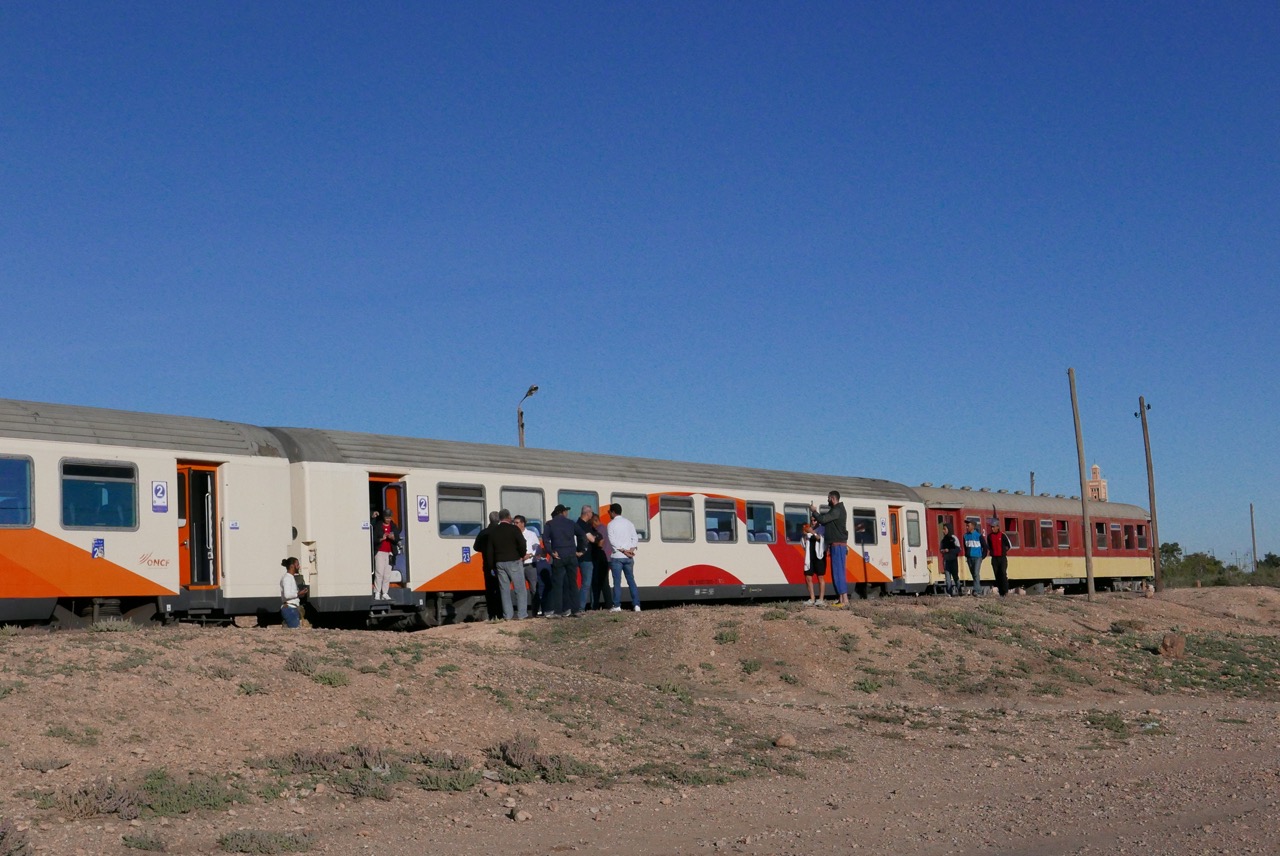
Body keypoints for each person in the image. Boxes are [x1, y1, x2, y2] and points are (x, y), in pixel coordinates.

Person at [810, 491, 849, 607]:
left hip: (838, 544)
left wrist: (814, 511)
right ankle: (840, 598)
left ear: (832, 498)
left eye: (828, 498)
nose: (827, 500)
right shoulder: (837, 510)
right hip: (835, 544)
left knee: (838, 572)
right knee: (836, 572)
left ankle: (845, 600)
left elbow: (823, 519)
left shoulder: (837, 510)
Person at [543, 504, 581, 617]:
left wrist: (551, 552)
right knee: (573, 584)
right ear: (562, 512)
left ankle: (558, 611)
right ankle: (576, 610)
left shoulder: (550, 524)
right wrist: (581, 550)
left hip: (558, 556)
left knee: (557, 585)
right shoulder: (571, 523)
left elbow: (545, 540)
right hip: (571, 556)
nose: (567, 513)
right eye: (566, 511)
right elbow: (582, 535)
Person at [491, 509, 530, 620]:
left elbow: (490, 549)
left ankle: (508, 616)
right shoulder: (514, 529)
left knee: (504, 590)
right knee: (520, 589)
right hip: (513, 561)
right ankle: (522, 614)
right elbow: (522, 543)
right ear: (508, 517)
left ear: (500, 518)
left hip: (499, 563)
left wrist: (493, 564)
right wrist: (521, 554)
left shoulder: (494, 531)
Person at [605, 502, 640, 612]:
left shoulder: (610, 525)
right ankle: (636, 605)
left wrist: (623, 551)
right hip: (629, 557)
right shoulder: (629, 523)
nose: (609, 514)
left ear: (613, 512)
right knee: (631, 581)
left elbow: (613, 542)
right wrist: (631, 550)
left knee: (617, 582)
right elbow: (635, 538)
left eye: (609, 512)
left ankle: (617, 606)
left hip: (617, 557)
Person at [473, 511, 503, 618]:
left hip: (487, 564)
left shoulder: (483, 532)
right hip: (501, 564)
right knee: (501, 589)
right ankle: (501, 613)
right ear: (499, 519)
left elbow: (476, 547)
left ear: (489, 519)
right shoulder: (502, 531)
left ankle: (491, 614)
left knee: (490, 590)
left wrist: (485, 550)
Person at [575, 505, 601, 611]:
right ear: (587, 513)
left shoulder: (577, 524)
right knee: (586, 583)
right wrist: (597, 537)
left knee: (578, 583)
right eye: (591, 513)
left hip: (580, 556)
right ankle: (580, 607)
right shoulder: (583, 525)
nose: (592, 514)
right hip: (585, 558)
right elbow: (592, 539)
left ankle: (578, 606)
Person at [515, 515, 541, 614]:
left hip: (530, 564)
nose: (515, 524)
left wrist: (530, 555)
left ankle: (536, 611)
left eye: (517, 523)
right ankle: (522, 612)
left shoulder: (531, 534)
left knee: (534, 588)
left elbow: (537, 548)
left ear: (523, 523)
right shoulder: (514, 534)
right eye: (514, 523)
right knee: (520, 589)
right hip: (519, 564)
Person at [372, 509, 399, 600]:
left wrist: (393, 537)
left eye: (390, 517)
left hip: (390, 553)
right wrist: (382, 539)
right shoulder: (378, 525)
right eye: (387, 517)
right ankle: (377, 592)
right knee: (379, 572)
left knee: (387, 574)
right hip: (380, 552)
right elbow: (374, 539)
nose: (388, 519)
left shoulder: (393, 526)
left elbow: (397, 539)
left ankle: (385, 593)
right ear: (383, 517)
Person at [589, 512, 611, 610]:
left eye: (592, 521)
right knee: (604, 582)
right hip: (607, 558)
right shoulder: (605, 528)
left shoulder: (599, 529)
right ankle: (609, 604)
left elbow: (600, 544)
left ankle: (596, 605)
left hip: (600, 558)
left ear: (595, 520)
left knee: (598, 582)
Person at [801, 523, 826, 605]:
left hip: (819, 556)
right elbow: (803, 545)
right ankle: (812, 598)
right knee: (808, 577)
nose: (813, 522)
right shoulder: (808, 530)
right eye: (812, 520)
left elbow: (820, 538)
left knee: (820, 577)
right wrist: (805, 535)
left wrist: (812, 532)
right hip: (810, 556)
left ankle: (821, 599)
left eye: (815, 520)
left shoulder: (822, 529)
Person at [963, 521, 989, 596]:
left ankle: (977, 591)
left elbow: (985, 547)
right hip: (969, 558)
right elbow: (965, 547)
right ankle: (977, 589)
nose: (967, 527)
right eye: (967, 526)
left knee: (976, 573)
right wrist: (967, 555)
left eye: (968, 526)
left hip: (978, 557)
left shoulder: (979, 536)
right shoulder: (965, 536)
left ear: (973, 526)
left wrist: (982, 557)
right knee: (973, 574)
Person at [280, 557, 306, 629]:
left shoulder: (290, 577)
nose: (299, 567)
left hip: (291, 608)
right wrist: (298, 594)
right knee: (294, 632)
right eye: (297, 564)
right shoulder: (287, 578)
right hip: (290, 609)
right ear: (292, 566)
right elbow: (287, 595)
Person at [988, 522, 1012, 597]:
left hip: (1002, 558)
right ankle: (1001, 592)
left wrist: (1004, 551)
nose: (992, 528)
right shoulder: (990, 536)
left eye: (994, 527)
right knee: (997, 575)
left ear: (998, 527)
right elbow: (989, 546)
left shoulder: (1002, 535)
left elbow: (1009, 545)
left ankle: (1005, 591)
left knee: (1003, 573)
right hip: (994, 558)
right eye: (991, 527)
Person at [939, 524, 962, 597]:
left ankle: (959, 590)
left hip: (953, 560)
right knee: (948, 578)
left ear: (949, 529)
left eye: (945, 529)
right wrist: (943, 550)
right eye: (943, 529)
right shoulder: (943, 540)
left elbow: (958, 549)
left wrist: (949, 550)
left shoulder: (954, 538)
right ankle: (949, 593)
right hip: (946, 560)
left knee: (955, 576)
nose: (943, 531)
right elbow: (940, 549)